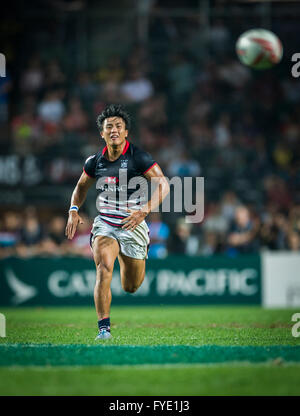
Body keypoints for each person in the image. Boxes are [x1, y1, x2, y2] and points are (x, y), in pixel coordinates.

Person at [65, 104, 169, 340]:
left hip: (134, 224)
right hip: (106, 224)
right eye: (108, 126)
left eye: (118, 126)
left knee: (131, 287)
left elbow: (163, 185)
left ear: (126, 133)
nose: (114, 130)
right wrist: (73, 209)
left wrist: (144, 211)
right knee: (103, 267)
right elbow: (81, 187)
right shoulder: (95, 161)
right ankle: (104, 329)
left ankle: (126, 254)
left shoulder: (139, 157)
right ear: (102, 133)